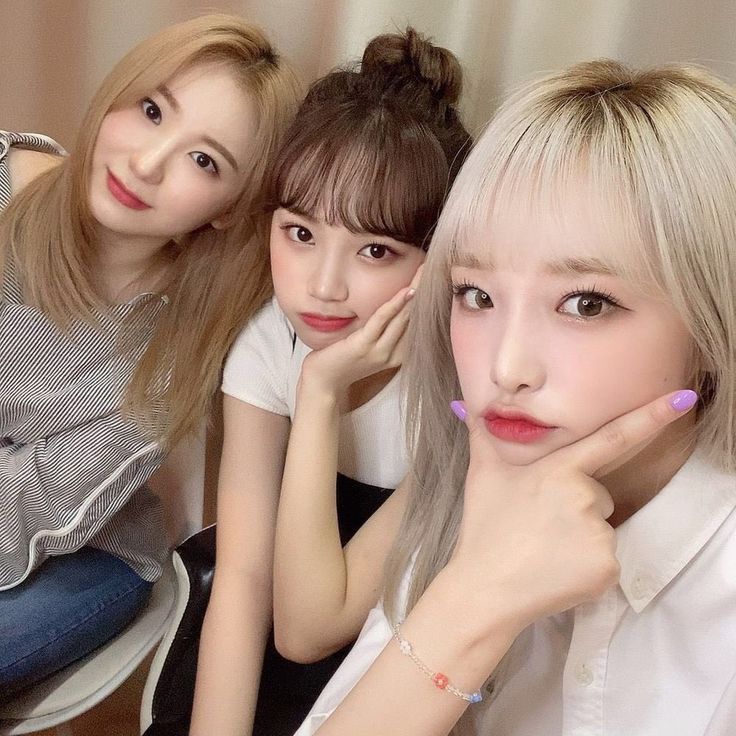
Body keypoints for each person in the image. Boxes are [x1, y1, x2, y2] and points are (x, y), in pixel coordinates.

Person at [294, 59, 736, 736]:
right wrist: (474, 601)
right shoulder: (474, 498)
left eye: (586, 303)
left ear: (713, 323)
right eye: (476, 295)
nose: (506, 368)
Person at [0, 14, 298, 695]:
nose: (145, 163)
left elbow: (23, 512)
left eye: (204, 161)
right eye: (152, 110)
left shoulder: (169, 360)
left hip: (82, 553)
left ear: (229, 208)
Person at [190, 27, 471, 736]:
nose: (322, 286)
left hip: (404, 626)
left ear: (437, 256)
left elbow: (307, 631)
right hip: (290, 579)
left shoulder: (464, 380)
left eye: (375, 249)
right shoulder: (266, 341)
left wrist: (319, 394)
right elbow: (245, 580)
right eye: (300, 233)